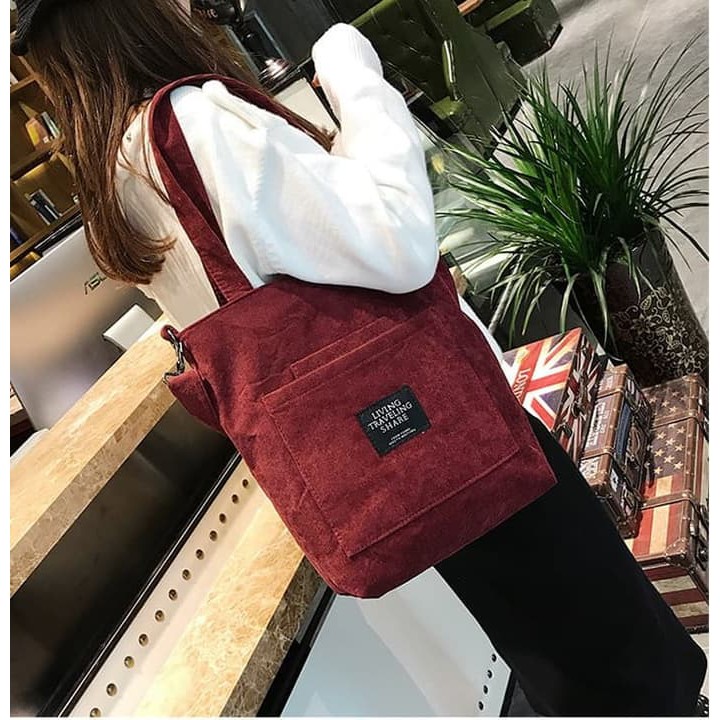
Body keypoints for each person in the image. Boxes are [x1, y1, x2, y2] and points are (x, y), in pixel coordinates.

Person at [13, 0, 707, 715]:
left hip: (391, 454)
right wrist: (353, 73)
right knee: (614, 649)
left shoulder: (121, 166)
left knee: (557, 646)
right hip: (442, 414)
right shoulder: (201, 122)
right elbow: (397, 241)